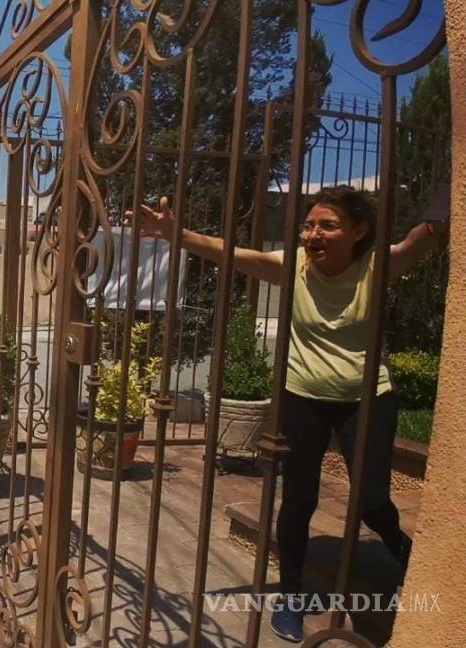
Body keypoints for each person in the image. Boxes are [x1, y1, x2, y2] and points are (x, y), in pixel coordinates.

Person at [131, 186, 447, 643]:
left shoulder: (378, 266)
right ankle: (292, 596)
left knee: (373, 499)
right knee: (298, 500)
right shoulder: (294, 268)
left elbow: (420, 239)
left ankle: (396, 543)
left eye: (328, 225)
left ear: (358, 232)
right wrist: (176, 234)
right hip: (303, 395)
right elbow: (233, 254)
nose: (313, 234)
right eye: (309, 225)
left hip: (367, 397)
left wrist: (443, 211)